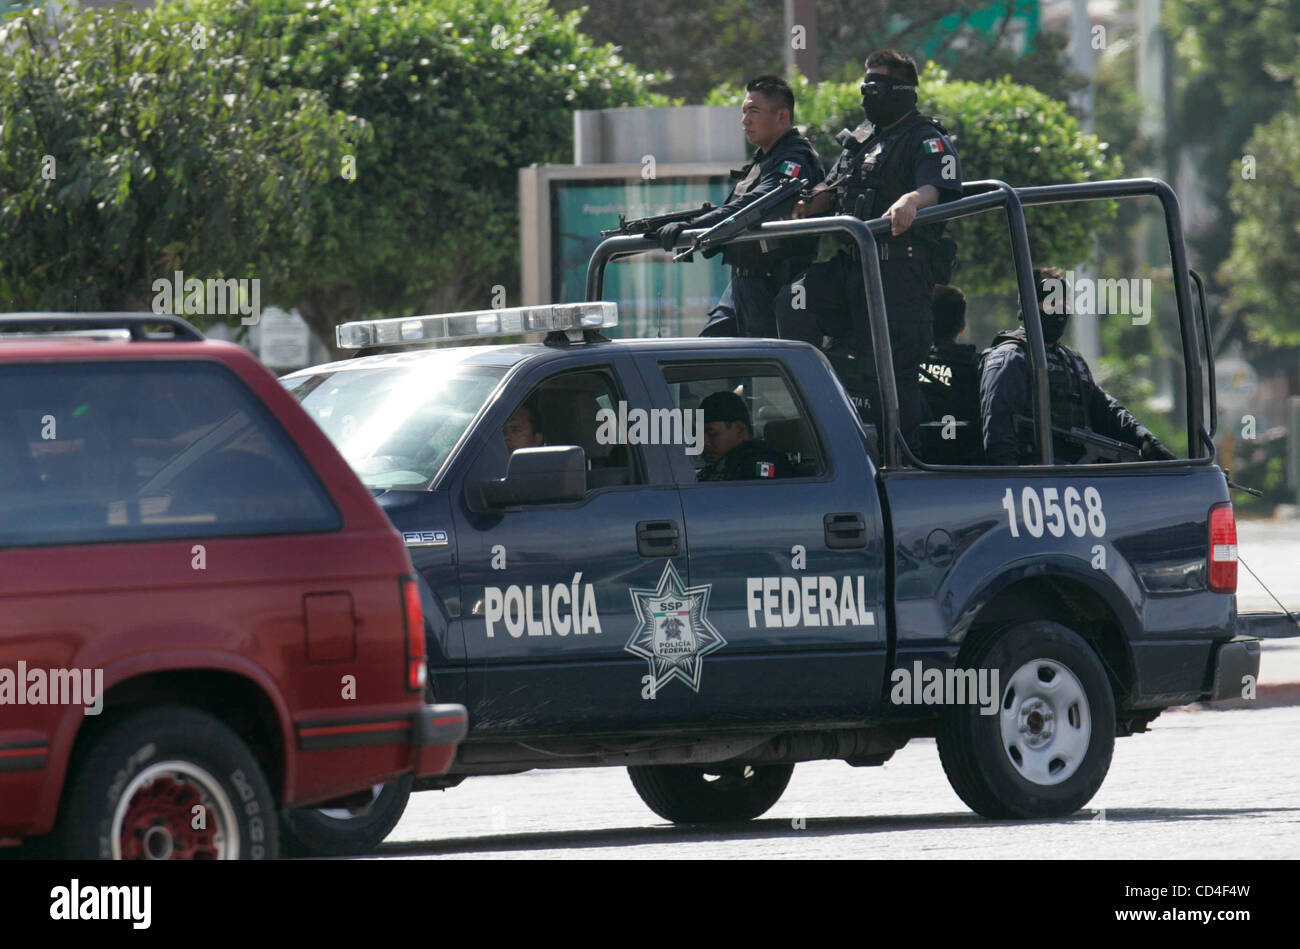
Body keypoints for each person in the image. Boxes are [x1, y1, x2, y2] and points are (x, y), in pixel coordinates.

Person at [777, 48, 963, 452]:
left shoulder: (926, 137)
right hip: (850, 270)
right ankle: (813, 399)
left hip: (898, 276)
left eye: (875, 86)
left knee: (894, 375)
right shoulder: (860, 139)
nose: (867, 94)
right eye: (864, 85)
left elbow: (940, 184)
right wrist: (809, 204)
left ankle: (907, 462)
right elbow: (833, 187)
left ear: (902, 90)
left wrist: (913, 200)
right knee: (796, 299)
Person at [656, 75, 825, 338]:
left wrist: (692, 228)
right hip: (742, 285)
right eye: (744, 111)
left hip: (775, 287)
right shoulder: (762, 161)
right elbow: (732, 208)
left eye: (754, 112)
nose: (745, 120)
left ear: (782, 116)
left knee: (766, 372)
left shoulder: (794, 160)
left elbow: (752, 206)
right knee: (700, 364)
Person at [979, 267, 1176, 465]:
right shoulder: (1011, 358)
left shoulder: (1072, 361)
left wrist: (1143, 438)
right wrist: (1014, 483)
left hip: (1075, 477)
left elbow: (1106, 410)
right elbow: (998, 433)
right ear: (1029, 307)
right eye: (1052, 303)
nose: (1060, 312)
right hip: (1035, 482)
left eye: (1066, 304)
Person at [696, 391, 794, 481]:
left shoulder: (762, 466)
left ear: (739, 429)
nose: (704, 442)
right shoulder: (716, 468)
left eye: (712, 433)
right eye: (700, 435)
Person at [918, 284, 980, 424]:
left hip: (911, 443)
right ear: (962, 327)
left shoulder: (906, 364)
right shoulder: (975, 367)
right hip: (959, 442)